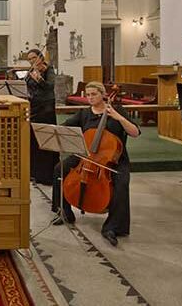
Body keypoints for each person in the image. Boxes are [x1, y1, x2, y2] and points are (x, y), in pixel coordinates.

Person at [51, 82, 140, 246]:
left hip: (113, 159)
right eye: (88, 95)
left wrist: (117, 117)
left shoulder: (117, 110)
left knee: (121, 183)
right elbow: (65, 127)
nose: (90, 98)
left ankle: (113, 227)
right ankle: (64, 212)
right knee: (59, 169)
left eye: (94, 94)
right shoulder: (84, 114)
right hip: (87, 156)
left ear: (103, 94)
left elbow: (135, 132)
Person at [25, 49, 58, 184]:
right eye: (30, 59)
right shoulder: (31, 70)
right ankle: (35, 173)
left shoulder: (49, 69)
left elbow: (50, 87)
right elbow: (27, 84)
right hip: (34, 108)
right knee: (34, 141)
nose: (32, 61)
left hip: (46, 109)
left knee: (45, 139)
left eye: (33, 57)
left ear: (41, 57)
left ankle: (47, 175)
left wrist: (39, 79)